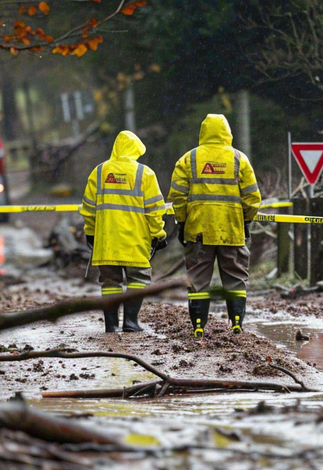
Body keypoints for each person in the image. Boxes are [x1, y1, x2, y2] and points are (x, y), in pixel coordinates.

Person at [168, 114, 260, 338]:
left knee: (198, 279)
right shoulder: (240, 159)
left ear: (203, 132)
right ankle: (236, 322)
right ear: (227, 132)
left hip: (198, 231)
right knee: (235, 277)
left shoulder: (188, 160)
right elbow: (252, 198)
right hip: (231, 229)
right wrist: (246, 221)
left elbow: (178, 197)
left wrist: (182, 222)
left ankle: (198, 325)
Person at [81, 131, 168, 333]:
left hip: (107, 240)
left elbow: (88, 209)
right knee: (138, 279)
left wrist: (91, 232)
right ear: (136, 150)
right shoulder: (144, 173)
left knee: (110, 281)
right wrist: (159, 234)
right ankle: (130, 322)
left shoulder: (100, 172)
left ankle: (111, 325)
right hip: (135, 240)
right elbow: (154, 210)